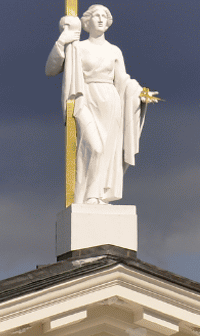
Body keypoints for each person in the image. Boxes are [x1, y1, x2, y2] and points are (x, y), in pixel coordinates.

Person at [45, 5, 154, 205]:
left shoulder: (114, 51)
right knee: (94, 147)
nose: (101, 20)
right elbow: (51, 70)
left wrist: (139, 93)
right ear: (87, 21)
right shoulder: (77, 47)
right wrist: (62, 40)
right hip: (85, 99)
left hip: (111, 103)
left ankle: (96, 196)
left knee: (107, 151)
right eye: (96, 16)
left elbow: (123, 80)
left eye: (105, 16)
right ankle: (86, 196)